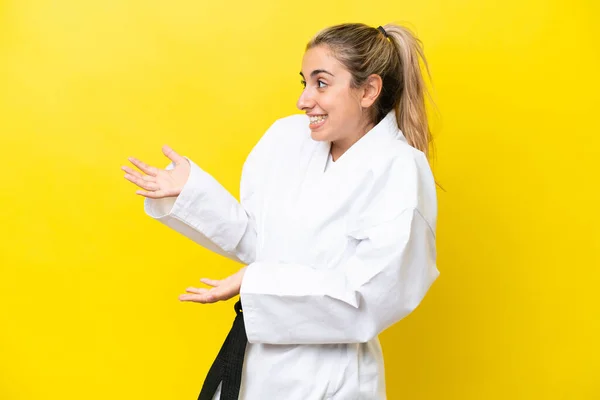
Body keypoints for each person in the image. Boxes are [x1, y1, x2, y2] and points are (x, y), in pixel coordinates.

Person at [122, 22, 439, 400]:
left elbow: (370, 298)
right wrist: (192, 193)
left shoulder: (400, 168)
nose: (304, 100)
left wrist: (254, 283)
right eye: (304, 82)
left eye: (321, 83)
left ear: (369, 90)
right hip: (258, 364)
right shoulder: (287, 139)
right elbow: (261, 243)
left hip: (332, 377)